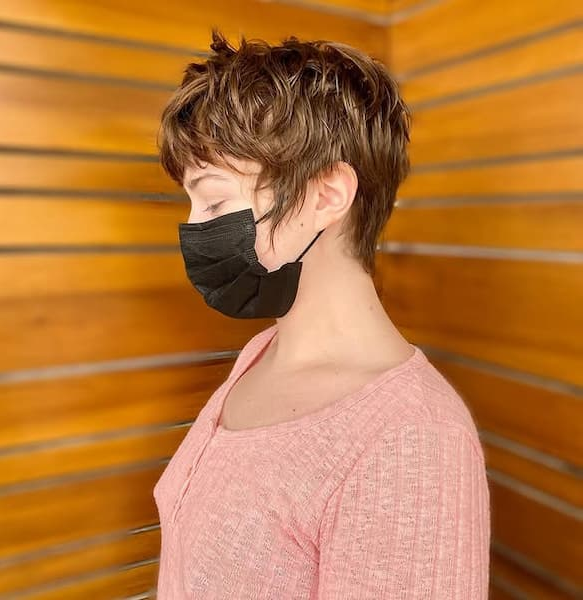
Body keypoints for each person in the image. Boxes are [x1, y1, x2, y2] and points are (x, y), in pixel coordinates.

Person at [152, 27, 490, 599]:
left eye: (214, 199)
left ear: (328, 194)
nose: (195, 227)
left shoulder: (414, 443)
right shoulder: (261, 354)